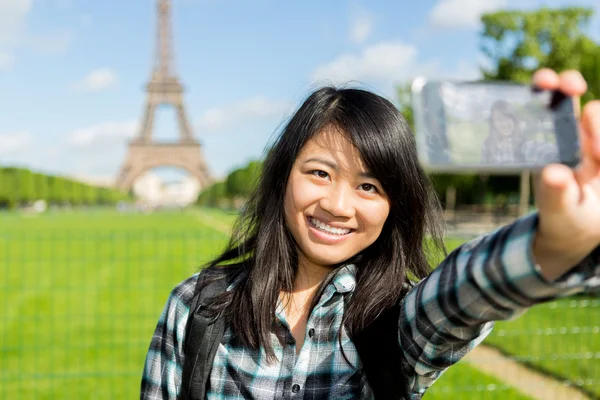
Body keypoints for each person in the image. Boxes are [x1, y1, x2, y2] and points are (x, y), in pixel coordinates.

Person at [140, 68, 600, 399]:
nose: (338, 206)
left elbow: (463, 293)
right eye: (320, 173)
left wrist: (554, 245)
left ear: (392, 206)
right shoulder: (195, 307)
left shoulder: (395, 318)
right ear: (283, 176)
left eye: (368, 186)